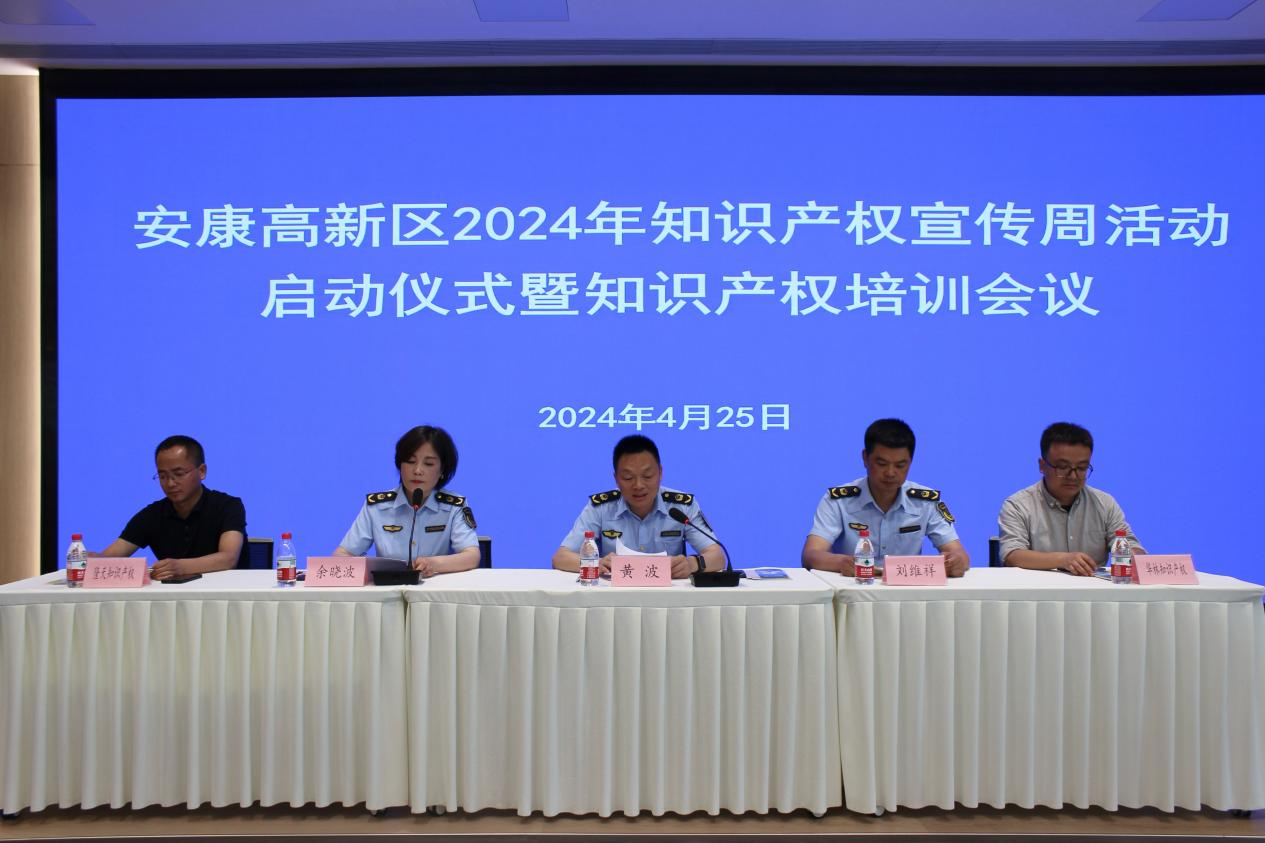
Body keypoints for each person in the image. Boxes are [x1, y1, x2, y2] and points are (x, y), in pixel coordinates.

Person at [801, 418, 970, 577]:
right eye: (882, 464)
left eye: (900, 465)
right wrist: (841, 563)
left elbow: (959, 553)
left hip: (907, 591)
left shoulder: (926, 502)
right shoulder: (838, 501)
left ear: (910, 462)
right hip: (854, 589)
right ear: (865, 458)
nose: (890, 473)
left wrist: (956, 561)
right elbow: (811, 555)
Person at [552, 434, 726, 579]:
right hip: (613, 600)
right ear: (616, 479)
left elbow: (718, 556)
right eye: (628, 478)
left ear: (660, 473)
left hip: (669, 599)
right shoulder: (601, 507)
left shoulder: (681, 506)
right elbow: (560, 558)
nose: (638, 485)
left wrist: (692, 564)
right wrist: (595, 563)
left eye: (647, 476)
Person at [998, 421, 1144, 577]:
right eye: (1063, 467)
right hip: (1039, 589)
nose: (1073, 476)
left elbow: (1129, 544)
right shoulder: (1018, 505)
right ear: (1042, 465)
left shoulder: (1105, 503)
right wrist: (1062, 559)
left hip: (1094, 590)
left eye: (1081, 468)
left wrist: (1134, 555)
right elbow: (1012, 555)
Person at [94, 435, 247, 581]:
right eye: (162, 476)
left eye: (178, 474)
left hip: (224, 593)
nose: (170, 483)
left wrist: (181, 567)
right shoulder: (152, 514)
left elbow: (228, 558)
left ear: (202, 471)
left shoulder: (228, 506)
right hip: (172, 596)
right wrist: (87, 559)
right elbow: (109, 558)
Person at [334, 425, 481, 577]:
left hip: (434, 589)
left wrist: (433, 564)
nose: (417, 470)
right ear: (400, 465)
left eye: (428, 464)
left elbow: (472, 556)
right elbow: (342, 554)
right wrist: (369, 572)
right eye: (410, 461)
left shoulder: (453, 507)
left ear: (442, 469)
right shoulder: (377, 506)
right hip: (387, 588)